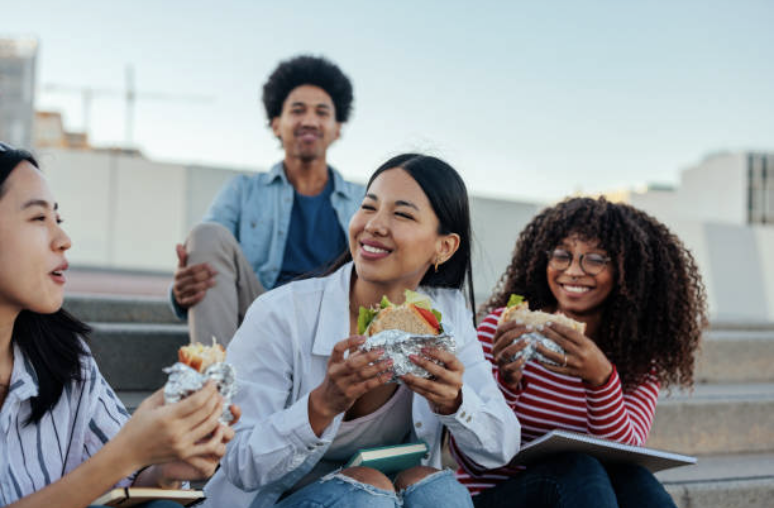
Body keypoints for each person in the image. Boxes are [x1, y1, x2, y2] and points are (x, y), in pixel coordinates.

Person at [201, 154, 521, 508]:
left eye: (401, 214)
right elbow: (236, 463)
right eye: (368, 207)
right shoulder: (282, 313)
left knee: (433, 488)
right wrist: (321, 406)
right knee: (369, 492)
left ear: (443, 247)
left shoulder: (447, 314)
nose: (374, 225)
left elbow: (500, 448)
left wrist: (455, 402)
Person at [0, 143, 240, 508]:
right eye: (38, 218)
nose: (64, 240)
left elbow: (128, 480)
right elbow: (119, 459)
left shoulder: (65, 358)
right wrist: (127, 452)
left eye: (58, 220)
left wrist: (166, 468)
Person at [451, 197, 707, 508]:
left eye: (595, 259)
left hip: (585, 494)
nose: (573, 271)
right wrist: (507, 381)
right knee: (577, 468)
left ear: (628, 273)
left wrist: (601, 380)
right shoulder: (502, 330)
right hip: (495, 495)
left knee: (634, 479)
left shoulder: (637, 358)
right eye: (562, 256)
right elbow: (471, 460)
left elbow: (624, 455)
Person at [171, 55, 365, 346]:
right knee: (206, 235)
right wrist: (179, 291)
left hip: (336, 326)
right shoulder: (242, 190)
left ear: (337, 128)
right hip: (260, 319)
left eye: (322, 112)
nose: (310, 121)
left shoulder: (364, 200)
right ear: (276, 124)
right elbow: (204, 256)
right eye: (297, 110)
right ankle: (215, 381)